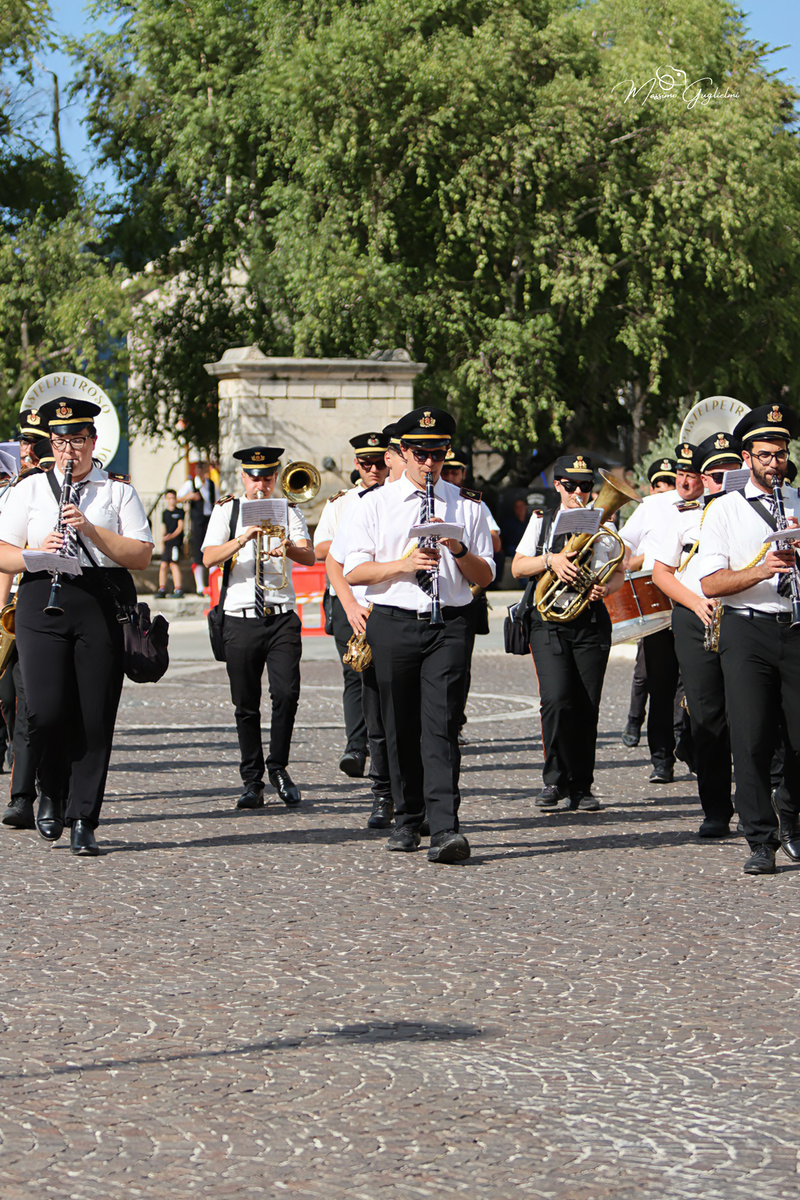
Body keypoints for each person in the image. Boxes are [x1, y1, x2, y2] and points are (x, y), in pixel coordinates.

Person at [0, 396, 154, 856]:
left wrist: (88, 529)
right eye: (62, 441)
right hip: (40, 595)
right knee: (44, 709)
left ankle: (83, 817)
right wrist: (34, 553)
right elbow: (2, 551)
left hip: (98, 601)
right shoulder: (27, 490)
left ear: (93, 441)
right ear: (52, 443)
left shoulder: (117, 492)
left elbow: (141, 556)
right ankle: (50, 788)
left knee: (94, 715)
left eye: (79, 440)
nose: (71, 450)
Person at [343, 406, 495, 864]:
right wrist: (403, 565)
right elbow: (354, 570)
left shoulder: (467, 504)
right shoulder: (374, 504)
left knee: (443, 724)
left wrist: (459, 548)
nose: (431, 462)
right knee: (399, 723)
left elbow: (485, 574)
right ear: (403, 453)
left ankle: (445, 827)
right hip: (394, 620)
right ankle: (407, 818)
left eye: (439, 452)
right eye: (422, 453)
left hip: (449, 621)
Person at [698, 404, 800, 875]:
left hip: (795, 627)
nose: (774, 462)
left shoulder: (798, 502)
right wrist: (764, 568)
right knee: (753, 737)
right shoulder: (723, 510)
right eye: (765, 454)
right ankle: (761, 839)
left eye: (780, 453)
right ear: (746, 457)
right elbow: (712, 584)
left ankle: (792, 818)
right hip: (747, 629)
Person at [202, 446, 315, 810]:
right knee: (245, 704)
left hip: (281, 615)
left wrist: (287, 547)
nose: (261, 485)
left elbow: (309, 555)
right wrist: (242, 538)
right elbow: (207, 558)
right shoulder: (227, 509)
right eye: (254, 477)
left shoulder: (289, 509)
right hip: (240, 617)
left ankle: (278, 767)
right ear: (243, 477)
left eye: (267, 477)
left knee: (286, 695)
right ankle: (252, 780)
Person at [512, 455, 625, 811]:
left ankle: (582, 785)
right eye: (572, 485)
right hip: (548, 622)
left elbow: (618, 570)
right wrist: (552, 561)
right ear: (558, 485)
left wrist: (605, 588)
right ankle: (554, 780)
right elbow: (517, 567)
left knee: (587, 704)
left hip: (589, 620)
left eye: (587, 486)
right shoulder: (542, 521)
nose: (580, 492)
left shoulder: (604, 523)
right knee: (557, 699)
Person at [652, 434, 743, 837]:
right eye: (715, 476)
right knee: (707, 714)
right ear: (704, 480)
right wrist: (694, 601)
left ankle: (767, 799)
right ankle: (717, 809)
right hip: (696, 616)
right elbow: (661, 574)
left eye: (730, 474)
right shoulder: (684, 516)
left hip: (743, 615)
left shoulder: (750, 513)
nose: (723, 482)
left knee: (754, 713)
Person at [325, 426, 397, 829]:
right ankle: (383, 794)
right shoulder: (359, 504)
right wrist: (350, 604)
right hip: (369, 617)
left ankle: (417, 799)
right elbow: (334, 560)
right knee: (374, 707)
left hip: (414, 620)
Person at [619, 445, 701, 782]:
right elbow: (623, 543)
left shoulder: (712, 506)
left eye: (690, 474)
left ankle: (694, 748)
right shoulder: (652, 505)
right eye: (680, 474)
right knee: (660, 685)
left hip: (695, 604)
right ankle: (661, 759)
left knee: (698, 686)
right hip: (655, 605)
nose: (683, 480)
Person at [314, 432, 390, 778]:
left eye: (378, 462)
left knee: (386, 678)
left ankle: (384, 749)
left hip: (384, 601)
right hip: (348, 601)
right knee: (354, 674)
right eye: (365, 463)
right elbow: (320, 550)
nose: (373, 469)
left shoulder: (395, 499)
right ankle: (355, 747)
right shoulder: (340, 502)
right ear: (356, 465)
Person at [440, 448, 501, 738]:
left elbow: (496, 542)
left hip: (467, 593)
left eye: (456, 471)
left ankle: (456, 721)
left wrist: (465, 536)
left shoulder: (473, 503)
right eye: (447, 470)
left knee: (460, 664)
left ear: (464, 473)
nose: (451, 475)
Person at [621, 457, 678, 747]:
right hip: (651, 602)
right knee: (646, 673)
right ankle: (635, 721)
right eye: (659, 484)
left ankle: (680, 740)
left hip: (680, 600)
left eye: (670, 482)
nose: (665, 488)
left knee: (681, 681)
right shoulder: (649, 510)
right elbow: (628, 553)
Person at [177, 462, 215, 594]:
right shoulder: (191, 484)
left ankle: (213, 584)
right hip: (197, 521)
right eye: (199, 469)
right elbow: (177, 497)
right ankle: (200, 586)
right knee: (198, 550)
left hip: (209, 519)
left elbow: (216, 499)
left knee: (212, 548)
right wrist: (190, 496)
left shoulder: (211, 484)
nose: (202, 472)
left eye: (203, 469)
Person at [156, 489, 184, 597]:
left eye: (173, 498)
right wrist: (163, 539)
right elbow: (163, 528)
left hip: (175, 543)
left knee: (174, 564)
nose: (171, 500)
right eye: (169, 498)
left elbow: (180, 527)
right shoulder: (165, 513)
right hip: (167, 543)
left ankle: (178, 589)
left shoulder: (179, 512)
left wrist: (171, 536)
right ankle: (162, 588)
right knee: (163, 565)